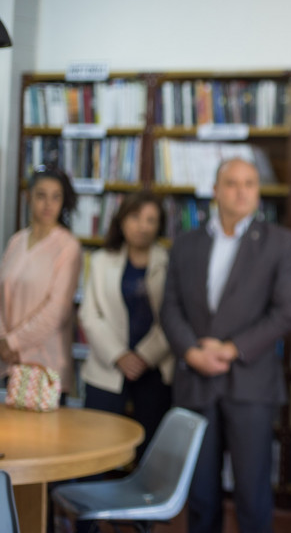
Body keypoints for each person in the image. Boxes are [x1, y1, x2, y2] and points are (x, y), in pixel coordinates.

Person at [161, 158, 291, 533]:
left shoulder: (278, 242)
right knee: (201, 494)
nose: (241, 191)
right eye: (232, 183)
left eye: (250, 183)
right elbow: (170, 307)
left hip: (249, 382)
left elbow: (285, 312)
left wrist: (231, 349)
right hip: (195, 379)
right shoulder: (186, 243)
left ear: (257, 191)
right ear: (216, 190)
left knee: (252, 494)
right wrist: (190, 351)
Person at [78, 191, 173, 460]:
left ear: (160, 225)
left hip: (154, 367)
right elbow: (89, 315)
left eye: (151, 220)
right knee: (97, 450)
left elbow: (174, 317)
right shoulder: (100, 261)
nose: (143, 226)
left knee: (151, 452)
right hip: (108, 366)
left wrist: (144, 356)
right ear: (121, 221)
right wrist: (119, 355)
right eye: (135, 217)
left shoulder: (170, 263)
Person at [0, 165, 81, 401]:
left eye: (56, 197)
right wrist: (3, 340)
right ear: (28, 197)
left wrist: (13, 342)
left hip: (46, 366)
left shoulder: (68, 247)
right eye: (41, 195)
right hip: (8, 361)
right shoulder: (16, 241)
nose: (48, 204)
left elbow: (57, 311)